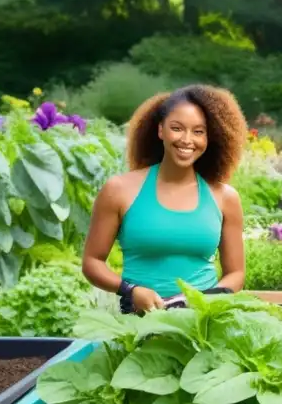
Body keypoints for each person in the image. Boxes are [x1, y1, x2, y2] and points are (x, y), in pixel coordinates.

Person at [81, 84, 248, 314]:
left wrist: (203, 300)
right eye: (177, 128)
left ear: (211, 137)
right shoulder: (119, 190)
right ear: (161, 130)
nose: (187, 140)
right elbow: (92, 262)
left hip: (204, 324)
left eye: (199, 132)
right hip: (139, 324)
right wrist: (130, 290)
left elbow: (236, 274)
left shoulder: (225, 197)